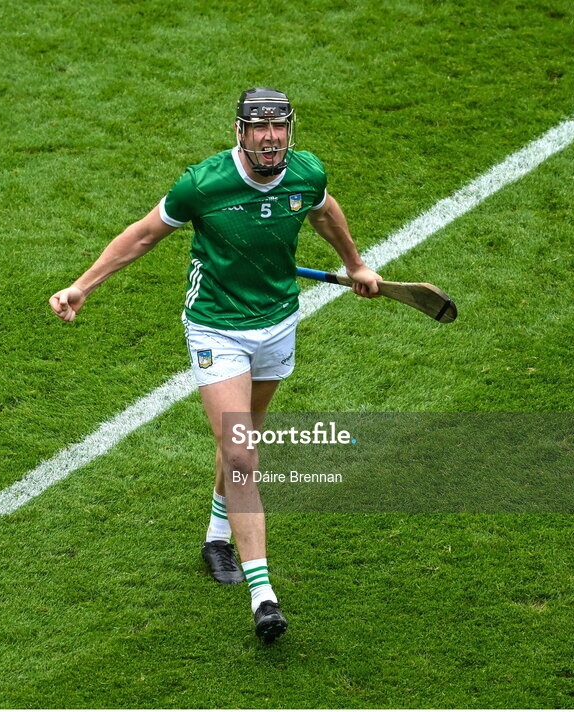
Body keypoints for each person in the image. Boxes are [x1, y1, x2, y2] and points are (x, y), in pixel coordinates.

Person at [49, 88, 381, 643]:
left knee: (244, 439)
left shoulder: (306, 173)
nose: (271, 137)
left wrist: (356, 263)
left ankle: (216, 536)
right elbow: (144, 235)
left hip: (278, 321)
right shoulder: (203, 185)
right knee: (242, 451)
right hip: (216, 327)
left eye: (279, 127)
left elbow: (324, 212)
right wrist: (83, 285)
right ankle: (263, 595)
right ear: (241, 131)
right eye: (259, 127)